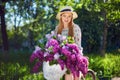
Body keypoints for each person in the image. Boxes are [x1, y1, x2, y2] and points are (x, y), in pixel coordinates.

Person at [43, 6, 83, 80]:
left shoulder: (75, 28)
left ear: (71, 18)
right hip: (61, 55)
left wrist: (72, 54)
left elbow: (78, 45)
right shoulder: (57, 29)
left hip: (74, 54)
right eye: (64, 16)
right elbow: (54, 42)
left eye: (69, 16)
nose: (66, 18)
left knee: (73, 74)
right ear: (61, 17)